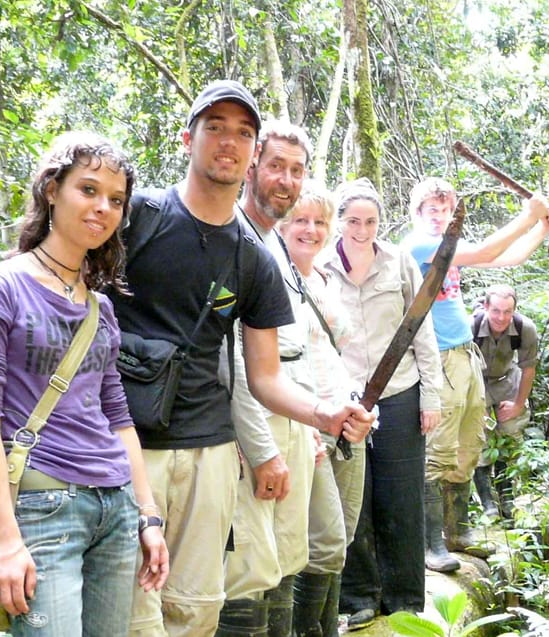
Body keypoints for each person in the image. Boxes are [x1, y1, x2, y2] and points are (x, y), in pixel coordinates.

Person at [110, 80, 373, 637]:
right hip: (128, 447)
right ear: (188, 139)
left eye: (243, 133)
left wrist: (325, 416)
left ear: (252, 154)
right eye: (216, 128)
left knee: (196, 609)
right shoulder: (138, 217)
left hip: (209, 449)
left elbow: (266, 376)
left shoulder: (254, 256)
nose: (229, 143)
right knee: (131, 614)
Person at [0, 131, 169, 636]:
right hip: (42, 507)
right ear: (52, 190)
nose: (103, 208)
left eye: (115, 200)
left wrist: (148, 516)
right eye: (89, 190)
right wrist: (6, 540)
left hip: (115, 509)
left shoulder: (102, 309)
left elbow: (117, 416)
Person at [400, 177, 549, 572]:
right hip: (436, 358)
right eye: (432, 210)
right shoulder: (418, 245)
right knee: (438, 449)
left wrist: (542, 226)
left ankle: (459, 532)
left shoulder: (451, 251)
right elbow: (490, 248)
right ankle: (430, 544)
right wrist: (528, 214)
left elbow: (506, 258)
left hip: (464, 355)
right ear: (418, 213)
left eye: (446, 210)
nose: (440, 217)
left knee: (470, 442)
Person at [321, 178, 444, 631]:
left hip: (399, 393)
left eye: (370, 221)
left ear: (380, 223)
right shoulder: (320, 266)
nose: (361, 229)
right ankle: (359, 598)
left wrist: (431, 395)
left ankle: (406, 597)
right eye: (353, 220)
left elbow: (421, 331)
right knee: (355, 500)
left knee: (401, 497)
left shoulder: (400, 263)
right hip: (344, 401)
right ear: (340, 222)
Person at [219, 119, 325, 636]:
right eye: (277, 166)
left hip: (289, 412)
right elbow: (232, 354)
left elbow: (296, 346)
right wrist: (259, 445)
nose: (285, 180)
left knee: (287, 554)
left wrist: (308, 423)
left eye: (297, 171)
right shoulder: (233, 236)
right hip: (251, 421)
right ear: (253, 164)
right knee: (248, 567)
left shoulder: (276, 243)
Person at [279, 181, 366, 636]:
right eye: (300, 219)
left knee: (341, 537)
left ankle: (327, 625)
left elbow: (337, 354)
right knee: (323, 541)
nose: (310, 230)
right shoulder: (272, 278)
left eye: (319, 222)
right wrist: (301, 423)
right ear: (282, 224)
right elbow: (269, 362)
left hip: (344, 421)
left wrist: (357, 404)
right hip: (304, 424)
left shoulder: (324, 279)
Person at [471, 285, 539, 520]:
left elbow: (528, 367)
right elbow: (459, 367)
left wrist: (519, 404)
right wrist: (472, 406)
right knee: (478, 438)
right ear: (486, 307)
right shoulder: (471, 326)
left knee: (509, 435)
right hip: (476, 382)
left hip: (507, 380)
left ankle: (506, 497)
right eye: (496, 310)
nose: (501, 317)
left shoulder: (524, 328)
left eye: (507, 312)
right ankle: (487, 502)